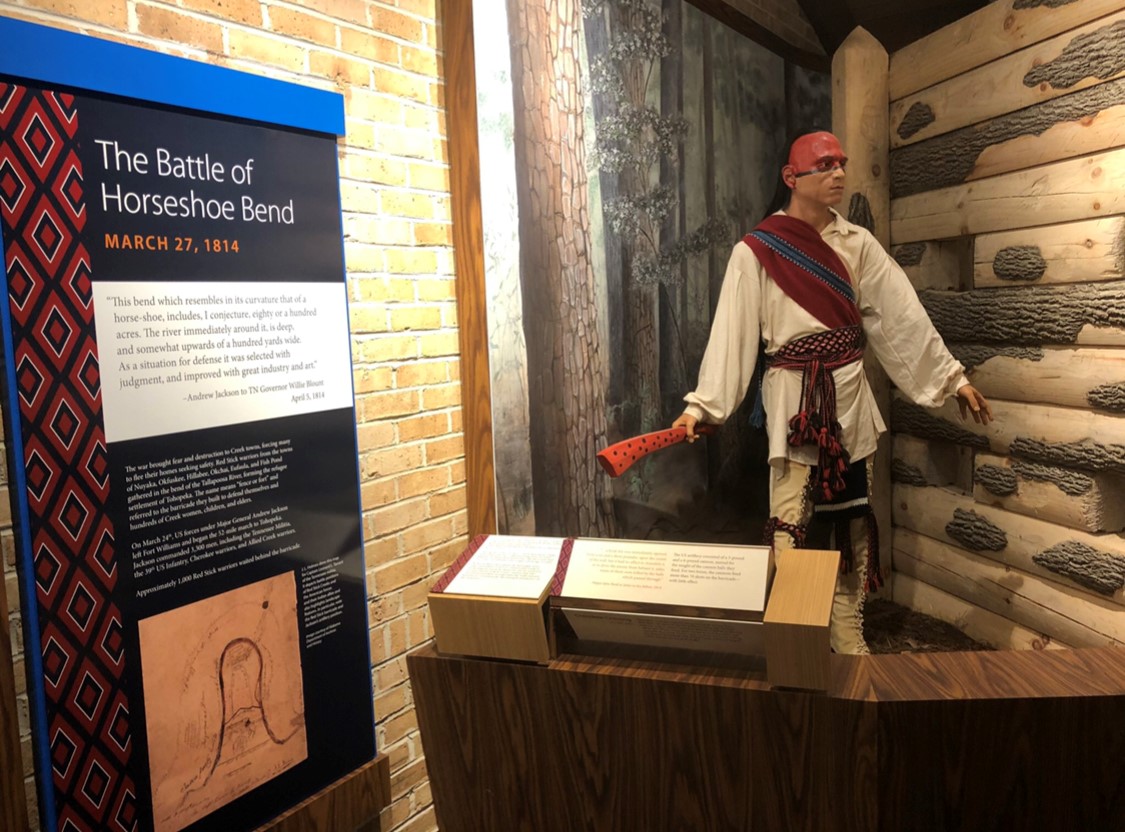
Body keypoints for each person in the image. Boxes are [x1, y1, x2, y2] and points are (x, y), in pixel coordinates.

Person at [672, 130, 992, 655]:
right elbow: (731, 333)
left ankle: (847, 635)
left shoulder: (858, 244)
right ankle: (796, 639)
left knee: (851, 524)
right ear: (791, 177)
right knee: (790, 521)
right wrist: (703, 407)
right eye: (824, 165)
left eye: (841, 163)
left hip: (847, 396)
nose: (839, 173)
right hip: (793, 401)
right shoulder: (755, 251)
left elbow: (899, 316)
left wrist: (951, 377)